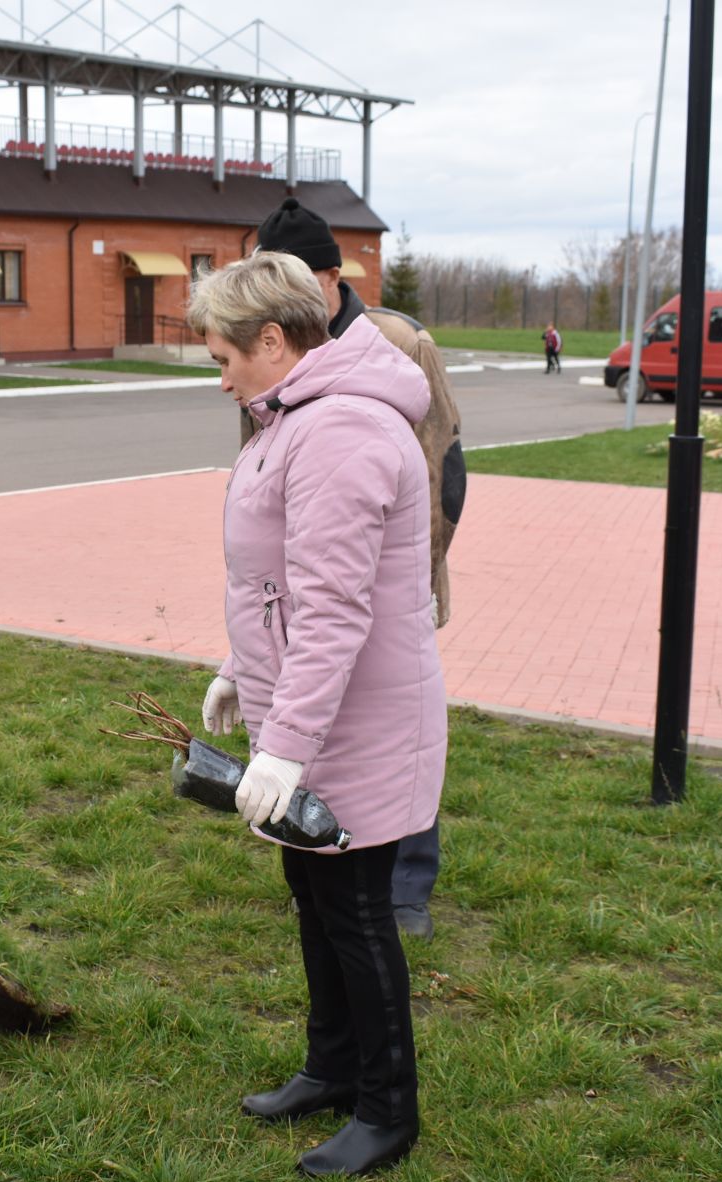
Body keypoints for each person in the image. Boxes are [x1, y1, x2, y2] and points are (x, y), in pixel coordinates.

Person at [191, 252, 446, 1178]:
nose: (215, 373)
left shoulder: (337, 433)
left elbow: (335, 609)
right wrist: (237, 670)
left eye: (222, 353)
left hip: (358, 719)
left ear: (273, 339)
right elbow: (278, 583)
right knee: (315, 898)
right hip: (312, 710)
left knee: (356, 913)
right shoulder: (290, 417)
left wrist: (286, 749)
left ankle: (388, 1111)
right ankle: (333, 1068)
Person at [249, 196, 466, 940]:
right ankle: (326, 868)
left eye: (287, 277)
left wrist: (416, 573)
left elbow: (444, 461)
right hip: (311, 576)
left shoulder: (398, 342)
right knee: (324, 721)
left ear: (331, 278)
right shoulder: (266, 345)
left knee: (388, 734)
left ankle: (404, 885)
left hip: (388, 570)